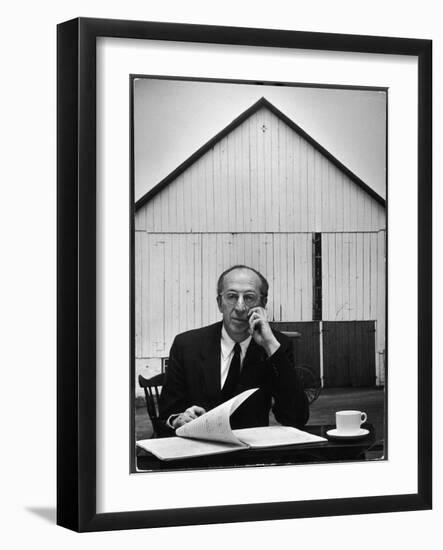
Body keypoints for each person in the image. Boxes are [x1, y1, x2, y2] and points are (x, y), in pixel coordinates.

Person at [158, 265, 309, 436]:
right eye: (231, 296)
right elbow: (166, 416)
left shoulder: (277, 344)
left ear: (263, 304)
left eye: (249, 298)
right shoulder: (186, 345)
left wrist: (271, 347)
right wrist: (179, 420)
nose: (240, 307)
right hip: (199, 450)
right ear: (219, 303)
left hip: (251, 453)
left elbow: (296, 417)